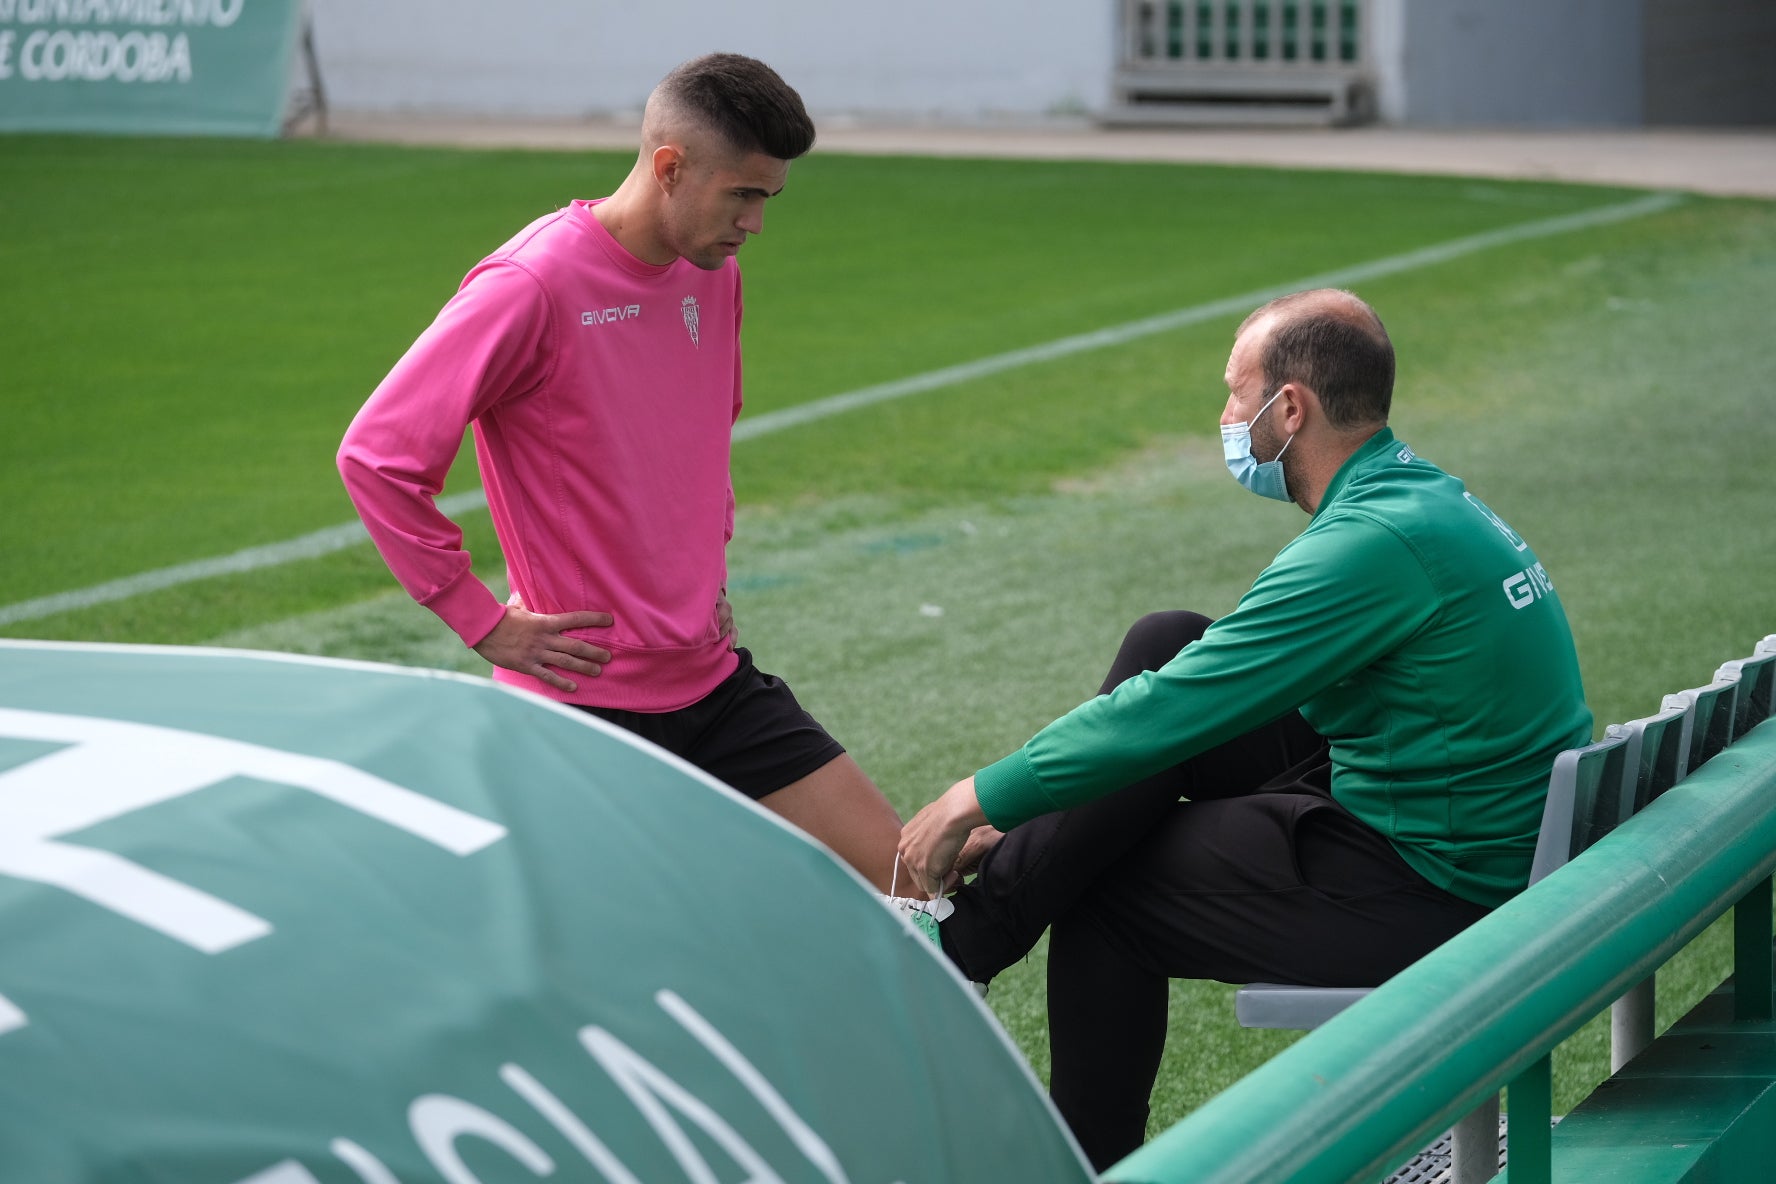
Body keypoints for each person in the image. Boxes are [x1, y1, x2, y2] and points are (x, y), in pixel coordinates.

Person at [898, 288, 1593, 1169]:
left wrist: (974, 799)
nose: (1228, 417)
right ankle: (970, 940)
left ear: (1290, 408)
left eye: (1237, 393)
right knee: (1168, 639)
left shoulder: (1368, 542)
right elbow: (1193, 680)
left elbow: (1178, 709)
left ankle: (1075, 1141)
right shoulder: (1416, 495)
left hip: (1442, 889)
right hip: (1463, 828)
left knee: (1108, 890)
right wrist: (1028, 823)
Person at [338, 53, 919, 898]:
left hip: (715, 680)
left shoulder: (713, 279)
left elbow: (700, 439)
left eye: (769, 198)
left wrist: (701, 576)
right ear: (671, 166)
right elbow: (378, 455)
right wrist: (477, 619)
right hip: (583, 706)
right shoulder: (531, 284)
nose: (755, 222)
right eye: (744, 194)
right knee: (621, 963)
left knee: (915, 887)